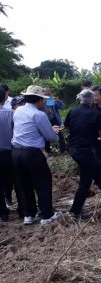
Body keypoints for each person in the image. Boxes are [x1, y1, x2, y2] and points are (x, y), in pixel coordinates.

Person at [11, 85, 62, 225]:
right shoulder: (39, 114)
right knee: (43, 182)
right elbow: (50, 136)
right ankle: (46, 214)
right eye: (43, 100)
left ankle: (29, 214)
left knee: (23, 183)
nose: (44, 102)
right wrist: (55, 132)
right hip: (31, 153)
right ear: (39, 100)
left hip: (16, 152)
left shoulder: (18, 110)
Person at [64, 89, 101, 219]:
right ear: (91, 100)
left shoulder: (72, 110)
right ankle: (75, 211)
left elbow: (66, 127)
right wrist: (95, 135)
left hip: (73, 149)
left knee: (99, 171)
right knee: (86, 181)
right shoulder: (96, 113)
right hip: (86, 150)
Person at [0, 87, 14, 221]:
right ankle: (24, 210)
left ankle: (3, 213)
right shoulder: (11, 113)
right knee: (12, 179)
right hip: (9, 153)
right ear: (5, 98)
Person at [42, 86, 67, 154]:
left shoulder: (51, 99)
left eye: (48, 91)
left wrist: (58, 101)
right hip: (45, 120)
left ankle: (63, 149)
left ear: (50, 92)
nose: (47, 92)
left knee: (59, 134)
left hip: (53, 119)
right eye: (45, 91)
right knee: (46, 135)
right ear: (43, 92)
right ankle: (48, 151)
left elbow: (61, 107)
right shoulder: (40, 100)